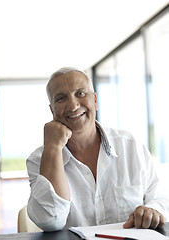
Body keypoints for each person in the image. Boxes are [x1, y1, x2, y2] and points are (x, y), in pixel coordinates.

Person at [27, 67, 169, 232]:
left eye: (80, 93)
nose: (73, 105)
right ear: (52, 110)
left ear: (95, 101)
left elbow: (161, 196)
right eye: (61, 98)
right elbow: (50, 221)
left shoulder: (131, 146)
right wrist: (52, 148)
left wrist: (153, 209)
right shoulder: (39, 159)